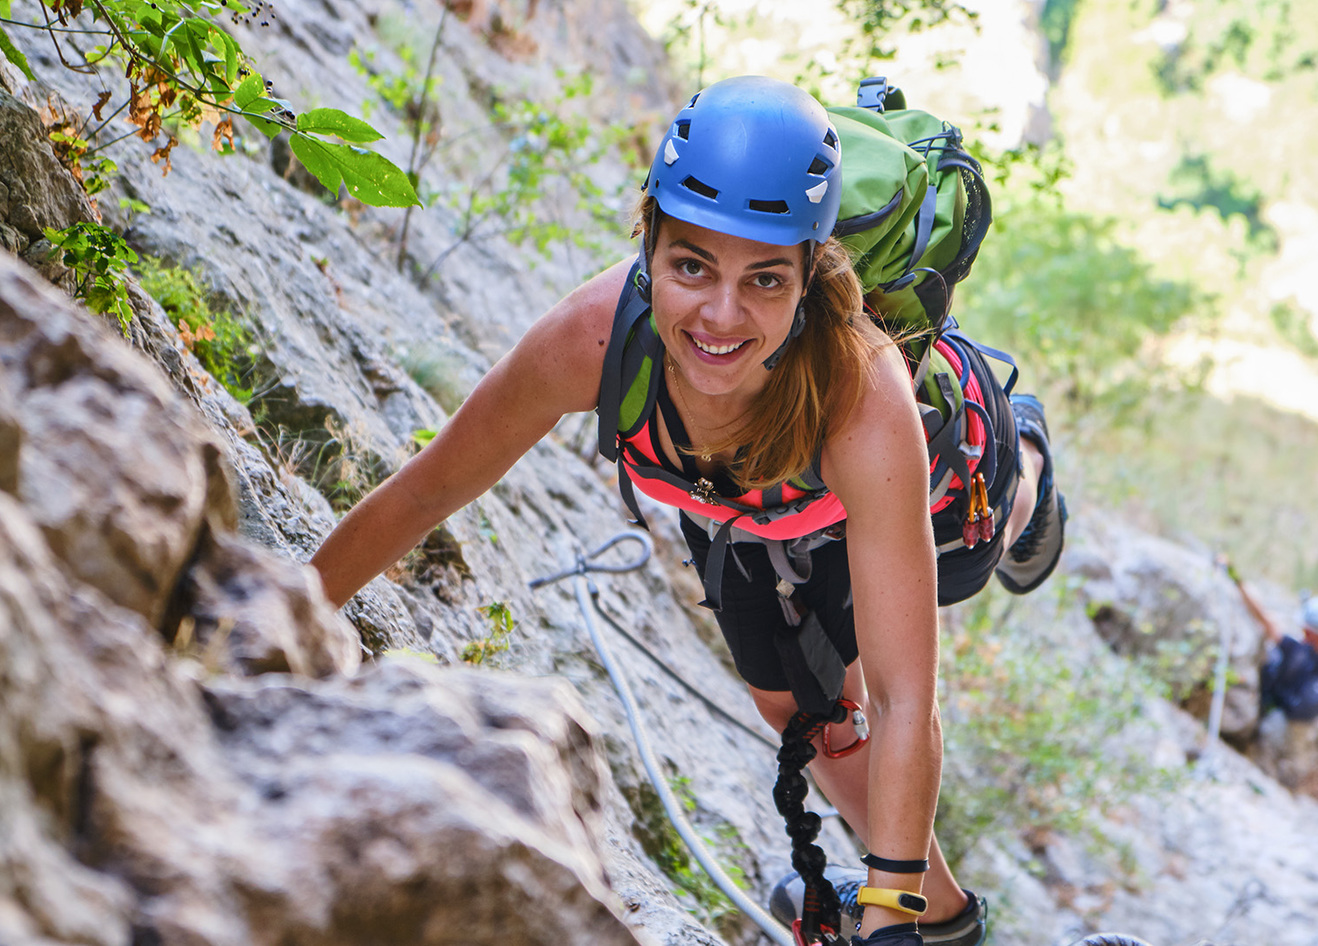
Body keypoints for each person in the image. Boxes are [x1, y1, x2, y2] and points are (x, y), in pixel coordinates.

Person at [311, 76, 1067, 946]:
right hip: (749, 511)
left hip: (931, 489)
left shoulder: (864, 394)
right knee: (806, 717)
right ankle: (942, 917)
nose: (719, 315)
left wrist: (879, 924)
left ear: (812, 278)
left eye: (765, 280)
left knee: (983, 534)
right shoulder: (595, 339)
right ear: (648, 244)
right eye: (691, 265)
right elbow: (428, 489)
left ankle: (1032, 470)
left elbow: (904, 699)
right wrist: (290, 606)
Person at [1226, 561, 1318, 722]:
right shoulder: (1298, 650)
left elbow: (1266, 620)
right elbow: (1265, 618)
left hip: (1283, 723)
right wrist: (1237, 579)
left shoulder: (1297, 651)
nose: (1304, 634)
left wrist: (1236, 578)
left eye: (1307, 632)